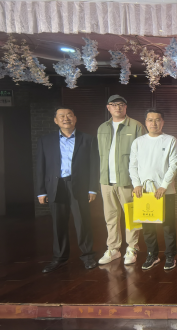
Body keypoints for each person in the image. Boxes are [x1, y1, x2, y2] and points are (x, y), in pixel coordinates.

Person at [36, 107, 99, 272]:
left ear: (75, 118)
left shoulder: (88, 139)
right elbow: (40, 167)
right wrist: (41, 191)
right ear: (55, 120)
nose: (66, 118)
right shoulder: (45, 141)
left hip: (79, 186)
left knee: (83, 223)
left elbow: (94, 166)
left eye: (69, 115)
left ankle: (88, 257)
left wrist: (93, 189)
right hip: (55, 186)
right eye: (61, 116)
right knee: (58, 224)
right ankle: (59, 258)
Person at [129, 109, 177, 271]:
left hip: (165, 191)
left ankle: (170, 255)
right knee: (148, 226)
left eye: (157, 120)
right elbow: (133, 165)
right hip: (144, 191)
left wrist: (164, 185)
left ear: (162, 122)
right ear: (145, 122)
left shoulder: (171, 140)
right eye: (150, 120)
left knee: (168, 225)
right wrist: (136, 184)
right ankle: (152, 255)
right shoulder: (138, 142)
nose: (154, 123)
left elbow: (174, 165)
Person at [97, 95, 145, 266]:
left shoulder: (136, 126)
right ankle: (113, 248)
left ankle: (132, 247)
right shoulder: (102, 127)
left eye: (121, 104)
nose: (117, 107)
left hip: (128, 180)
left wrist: (138, 181)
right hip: (106, 180)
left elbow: (142, 155)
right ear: (108, 107)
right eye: (113, 104)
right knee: (110, 216)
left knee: (131, 215)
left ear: (126, 107)